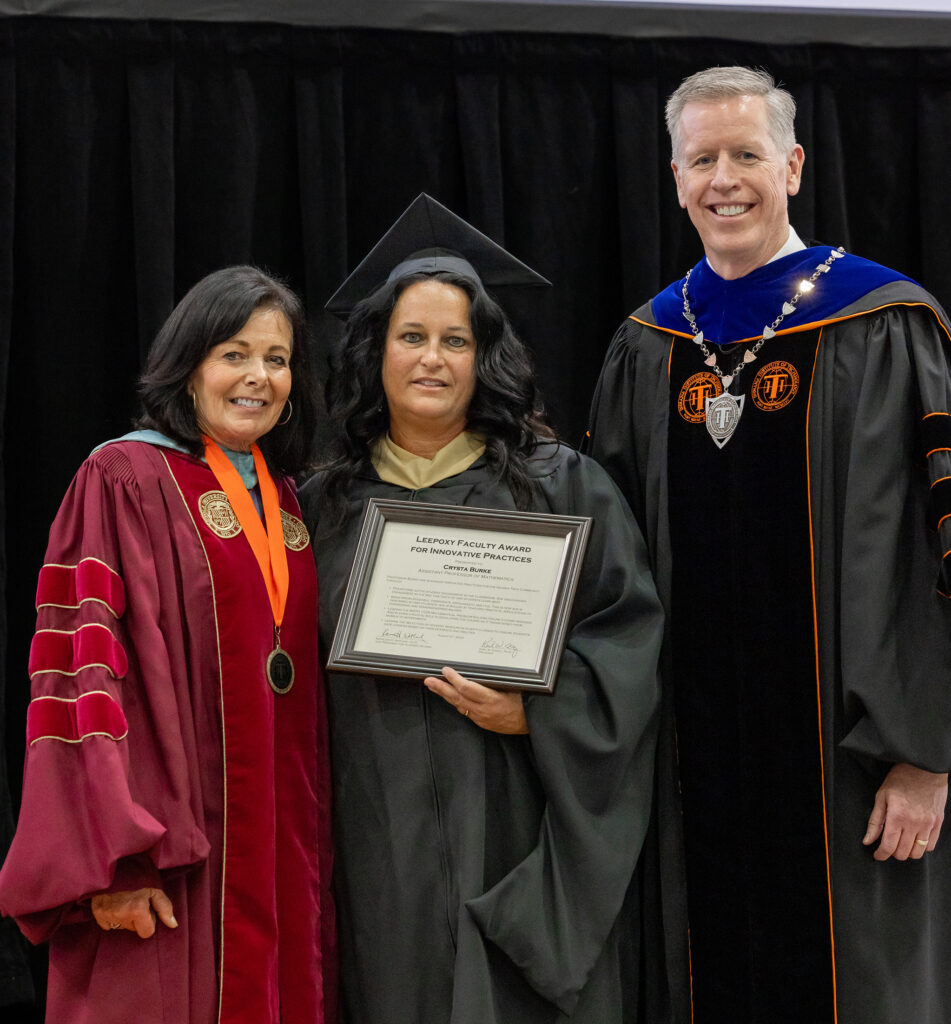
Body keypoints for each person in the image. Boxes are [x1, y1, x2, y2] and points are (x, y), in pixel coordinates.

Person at [586, 66, 951, 1024]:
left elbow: (932, 553)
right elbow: (605, 566)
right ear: (674, 179)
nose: (724, 180)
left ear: (790, 164)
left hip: (853, 767)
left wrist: (925, 754)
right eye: (701, 159)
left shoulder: (881, 324)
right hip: (686, 761)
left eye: (745, 154)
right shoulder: (646, 344)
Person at [300, 194, 664, 1024]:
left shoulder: (557, 487)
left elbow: (629, 640)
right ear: (375, 353)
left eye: (455, 341)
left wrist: (539, 713)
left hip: (517, 819)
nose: (433, 359)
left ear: (483, 357)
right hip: (372, 830)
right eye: (412, 337)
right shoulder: (319, 509)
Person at [0, 266, 335, 1023]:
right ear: (188, 368)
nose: (258, 377)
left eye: (277, 359)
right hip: (170, 864)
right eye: (234, 354)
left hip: (281, 858)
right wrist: (113, 862)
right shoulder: (123, 476)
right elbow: (83, 677)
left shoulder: (285, 497)